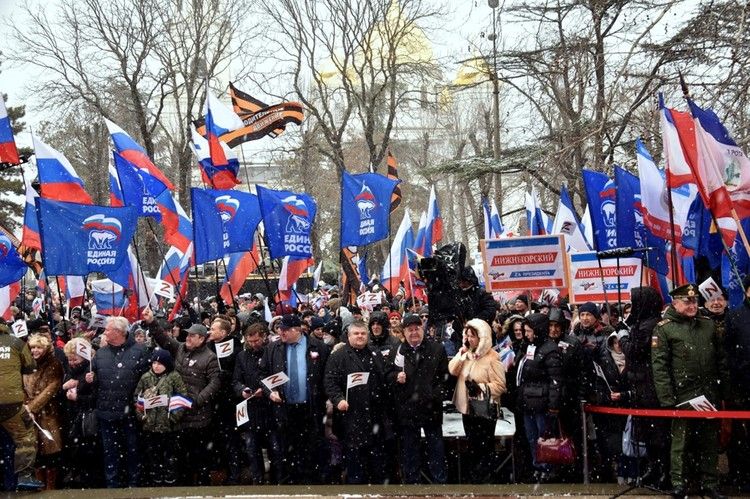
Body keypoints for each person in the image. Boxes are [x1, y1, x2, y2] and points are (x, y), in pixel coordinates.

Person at [651, 284, 729, 499]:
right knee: (681, 443)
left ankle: (710, 483)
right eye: (687, 302)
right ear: (675, 303)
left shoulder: (708, 326)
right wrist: (667, 398)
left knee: (709, 441)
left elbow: (721, 360)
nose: (692, 305)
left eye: (694, 301)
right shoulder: (664, 328)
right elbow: (660, 367)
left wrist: (723, 391)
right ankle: (679, 483)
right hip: (682, 395)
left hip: (708, 393)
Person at [144, 310, 221, 486]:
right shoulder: (179, 349)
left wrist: (196, 401)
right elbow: (163, 339)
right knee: (181, 456)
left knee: (200, 455)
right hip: (179, 414)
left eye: (193, 336)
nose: (188, 338)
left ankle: (201, 486)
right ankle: (184, 486)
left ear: (202, 339)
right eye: (188, 335)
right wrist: (151, 322)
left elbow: (214, 383)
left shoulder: (210, 358)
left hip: (198, 416)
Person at [259, 314, 331, 484]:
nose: (281, 333)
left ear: (297, 330)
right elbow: (262, 374)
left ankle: (310, 482)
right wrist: (270, 391)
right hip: (284, 408)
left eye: (285, 330)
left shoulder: (318, 347)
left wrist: (324, 397)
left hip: (311, 407)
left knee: (311, 447)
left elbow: (327, 375)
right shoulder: (273, 348)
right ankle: (289, 482)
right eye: (279, 329)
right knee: (286, 449)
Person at [86, 316, 150, 488]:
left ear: (119, 332)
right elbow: (94, 385)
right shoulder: (100, 353)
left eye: (107, 329)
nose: (104, 332)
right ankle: (112, 486)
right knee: (110, 452)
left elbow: (147, 380)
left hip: (129, 413)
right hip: (106, 412)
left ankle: (133, 485)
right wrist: (90, 379)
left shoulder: (140, 351)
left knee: (132, 450)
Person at [385, 313, 449, 484]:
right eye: (410, 330)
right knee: (410, 451)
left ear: (423, 329)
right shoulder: (397, 351)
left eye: (417, 328)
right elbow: (388, 374)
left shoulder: (437, 349)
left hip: (431, 408)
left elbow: (445, 378)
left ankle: (439, 484)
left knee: (436, 449)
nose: (414, 333)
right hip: (407, 410)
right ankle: (412, 485)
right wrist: (396, 377)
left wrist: (434, 394)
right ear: (404, 332)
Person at [324, 320, 388, 484]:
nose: (360, 336)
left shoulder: (375, 353)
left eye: (363, 333)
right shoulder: (338, 356)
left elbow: (385, 377)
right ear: (349, 335)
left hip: (375, 416)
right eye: (356, 333)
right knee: (355, 464)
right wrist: (339, 400)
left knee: (378, 463)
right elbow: (330, 382)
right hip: (351, 417)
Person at [620, 286, 670, 490]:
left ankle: (664, 471)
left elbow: (634, 351)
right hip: (640, 385)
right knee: (648, 434)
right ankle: (654, 467)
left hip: (649, 386)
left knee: (658, 434)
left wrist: (623, 336)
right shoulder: (643, 322)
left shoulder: (650, 326)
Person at [448, 318, 506, 483]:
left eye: (472, 336)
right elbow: (452, 370)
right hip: (467, 409)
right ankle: (474, 479)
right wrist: (461, 354)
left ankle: (485, 480)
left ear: (482, 337)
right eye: (467, 336)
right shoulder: (467, 354)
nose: (469, 339)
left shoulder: (492, 357)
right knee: (472, 446)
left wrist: (480, 387)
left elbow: (500, 385)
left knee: (484, 447)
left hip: (484, 409)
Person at [516, 313, 562, 483]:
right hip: (528, 401)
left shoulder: (550, 350)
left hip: (542, 403)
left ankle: (547, 468)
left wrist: (553, 406)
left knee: (544, 438)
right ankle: (537, 466)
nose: (526, 334)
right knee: (531, 437)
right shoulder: (529, 347)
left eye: (529, 331)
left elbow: (555, 381)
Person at [233, 322, 280, 485]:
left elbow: (277, 376)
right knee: (252, 449)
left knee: (275, 448)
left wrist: (265, 390)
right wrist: (242, 390)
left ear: (264, 337)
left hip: (270, 408)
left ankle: (277, 480)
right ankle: (257, 479)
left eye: (256, 341)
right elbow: (236, 380)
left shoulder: (272, 352)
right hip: (250, 409)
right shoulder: (242, 356)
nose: (253, 344)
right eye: (250, 341)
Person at [134, 349, 188, 486]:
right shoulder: (146, 377)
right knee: (153, 456)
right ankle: (155, 479)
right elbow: (137, 397)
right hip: (150, 425)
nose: (156, 366)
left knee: (170, 456)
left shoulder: (174, 376)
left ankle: (171, 480)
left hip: (169, 426)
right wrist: (142, 416)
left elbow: (182, 397)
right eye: (154, 363)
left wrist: (174, 418)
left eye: (160, 363)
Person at [0, 322, 40, 491]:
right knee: (26, 437)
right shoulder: (16, 342)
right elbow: (31, 366)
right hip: (11, 403)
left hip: (10, 401)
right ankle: (25, 476)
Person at [23, 334, 64, 489]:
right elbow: (21, 387)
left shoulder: (54, 364)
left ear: (45, 348)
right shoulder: (26, 364)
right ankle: (39, 486)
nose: (35, 350)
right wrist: (26, 406)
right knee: (36, 454)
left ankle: (51, 488)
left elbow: (51, 388)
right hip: (29, 415)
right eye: (33, 347)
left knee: (51, 452)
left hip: (49, 414)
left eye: (39, 347)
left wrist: (32, 407)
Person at [206, 316, 243, 484]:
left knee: (231, 437)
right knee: (217, 437)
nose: (210, 331)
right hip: (212, 400)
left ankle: (235, 472)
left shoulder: (236, 347)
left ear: (223, 332)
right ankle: (219, 469)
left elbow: (238, 371)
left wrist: (226, 374)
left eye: (213, 329)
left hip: (229, 400)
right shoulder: (207, 347)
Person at [61, 337, 101, 489]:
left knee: (88, 453)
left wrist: (78, 396)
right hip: (73, 417)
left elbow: (95, 397)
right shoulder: (70, 371)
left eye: (74, 359)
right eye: (69, 359)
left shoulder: (92, 371)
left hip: (87, 420)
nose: (71, 362)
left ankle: (89, 482)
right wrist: (64, 388)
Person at [723, 277, 750, 492]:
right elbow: (728, 352)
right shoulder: (735, 316)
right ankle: (740, 477)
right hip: (742, 386)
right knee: (740, 438)